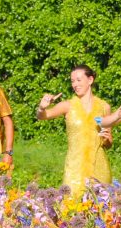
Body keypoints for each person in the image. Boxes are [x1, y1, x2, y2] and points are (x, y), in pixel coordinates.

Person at [35, 65, 112, 195]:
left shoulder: (104, 107)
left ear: (90, 80)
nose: (75, 84)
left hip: (99, 167)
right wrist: (41, 108)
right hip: (74, 169)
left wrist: (107, 139)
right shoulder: (67, 106)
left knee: (100, 210)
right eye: (72, 81)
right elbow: (43, 116)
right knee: (71, 207)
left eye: (78, 80)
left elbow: (109, 143)